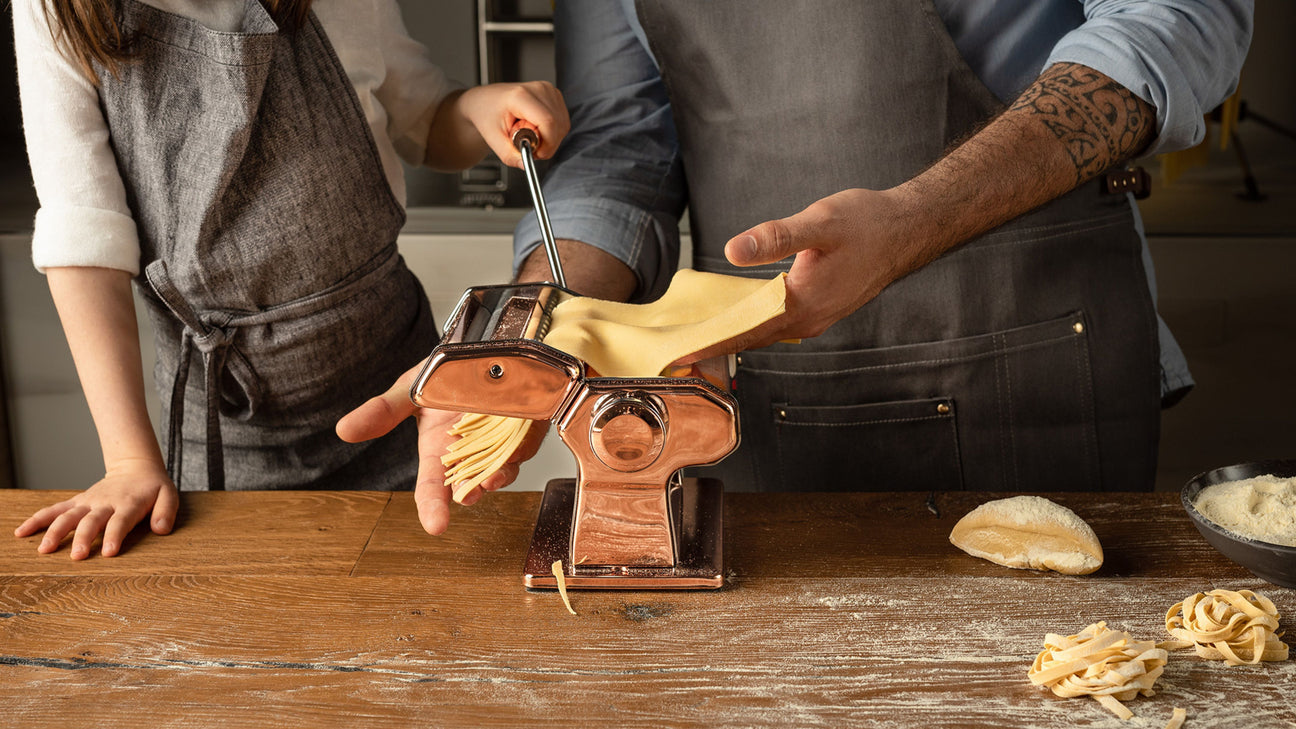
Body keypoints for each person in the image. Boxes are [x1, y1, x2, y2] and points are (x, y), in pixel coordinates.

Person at [343, 0, 1254, 534]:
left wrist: (914, 217)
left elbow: (1174, 22)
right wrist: (529, 326)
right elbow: (619, 142)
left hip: (1037, 350)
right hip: (764, 382)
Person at [11, 0, 569, 559]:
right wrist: (130, 462)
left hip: (406, 395)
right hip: (232, 429)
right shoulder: (51, 11)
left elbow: (424, 119)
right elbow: (84, 234)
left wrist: (477, 105)